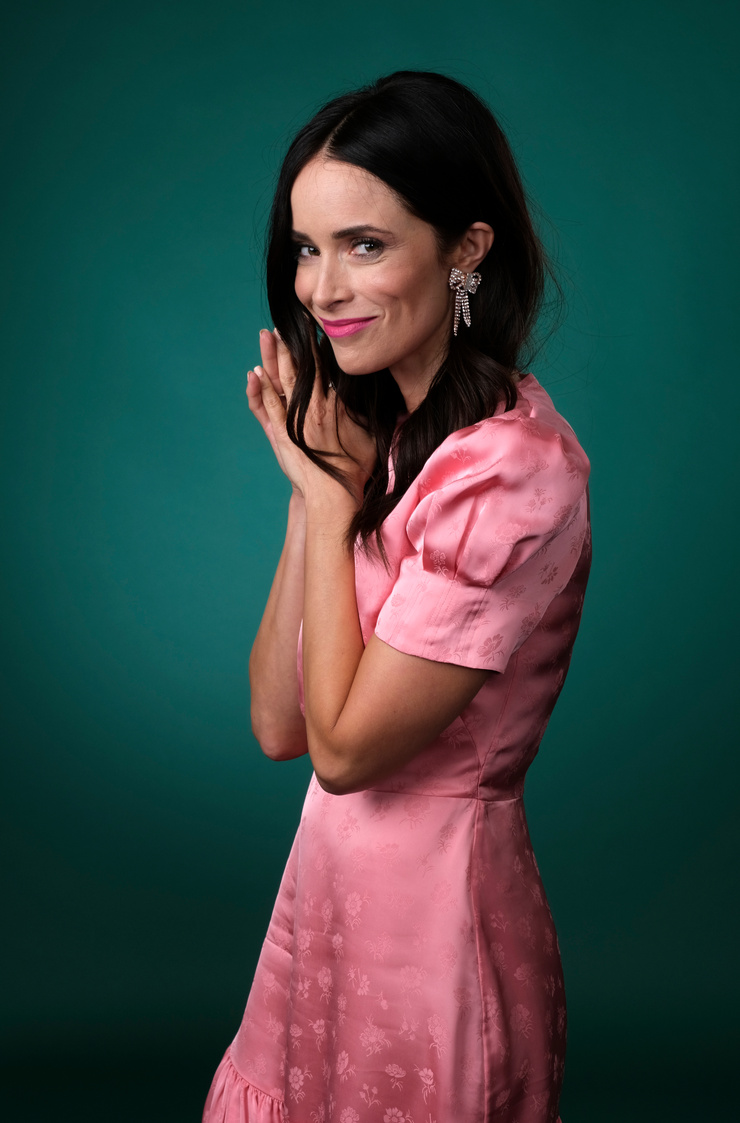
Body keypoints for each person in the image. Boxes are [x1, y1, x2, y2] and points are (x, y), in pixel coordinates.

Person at [203, 70, 591, 1123]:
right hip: (325, 910)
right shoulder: (390, 440)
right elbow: (280, 725)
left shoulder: (508, 471)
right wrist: (316, 491)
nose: (321, 289)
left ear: (465, 250)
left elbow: (344, 754)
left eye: (363, 244)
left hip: (433, 932)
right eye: (305, 248)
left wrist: (331, 504)